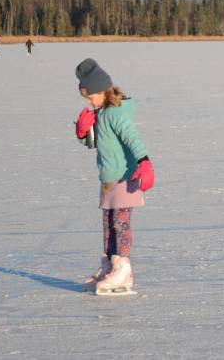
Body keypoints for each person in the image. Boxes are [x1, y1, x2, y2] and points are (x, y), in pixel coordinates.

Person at [74, 58, 155, 296]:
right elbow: (94, 143)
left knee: (121, 225)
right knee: (108, 227)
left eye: (90, 97)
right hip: (108, 179)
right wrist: (81, 132)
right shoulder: (101, 114)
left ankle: (124, 269)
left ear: (101, 91)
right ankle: (110, 266)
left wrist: (145, 162)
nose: (89, 102)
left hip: (125, 178)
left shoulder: (114, 114)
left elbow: (132, 138)